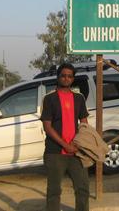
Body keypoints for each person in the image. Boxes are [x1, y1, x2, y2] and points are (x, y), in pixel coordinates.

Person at [40, 62, 90, 211]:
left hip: (76, 152)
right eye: (63, 75)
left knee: (82, 189)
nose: (66, 78)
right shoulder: (49, 99)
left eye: (70, 76)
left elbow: (84, 123)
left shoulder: (79, 98)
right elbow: (47, 127)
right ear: (58, 77)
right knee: (54, 191)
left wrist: (79, 144)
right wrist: (65, 145)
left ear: (73, 79)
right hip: (55, 152)